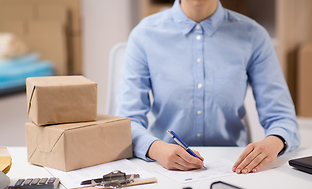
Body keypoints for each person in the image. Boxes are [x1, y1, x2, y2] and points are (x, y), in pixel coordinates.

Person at [116, 0, 301, 174]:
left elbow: (281, 117)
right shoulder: (144, 34)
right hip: (164, 170)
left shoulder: (253, 35)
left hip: (234, 169)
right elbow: (126, 122)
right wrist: (156, 149)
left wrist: (274, 142)